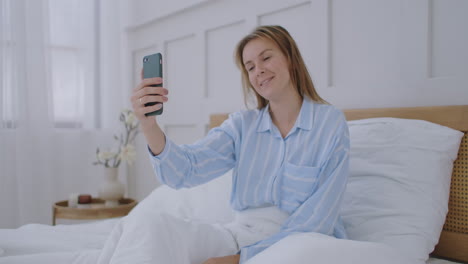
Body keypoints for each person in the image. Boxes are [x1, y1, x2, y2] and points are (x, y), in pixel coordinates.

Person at [130, 25, 350, 264]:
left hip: (303, 244)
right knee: (150, 228)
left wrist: (241, 259)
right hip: (241, 235)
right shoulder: (241, 126)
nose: (259, 71)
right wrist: (149, 125)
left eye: (266, 58)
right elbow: (185, 171)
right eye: (250, 67)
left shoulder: (329, 123)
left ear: (291, 59)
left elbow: (318, 218)